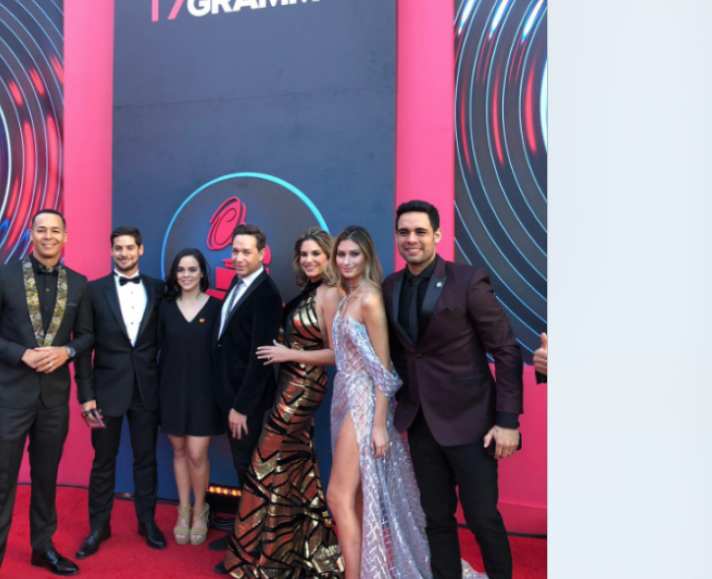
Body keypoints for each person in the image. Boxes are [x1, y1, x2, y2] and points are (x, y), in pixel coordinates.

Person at [384, 200, 524, 579]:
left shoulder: (468, 280)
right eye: (403, 232)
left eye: (419, 232)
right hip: (420, 421)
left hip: (472, 423)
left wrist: (507, 421)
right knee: (436, 518)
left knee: (482, 517)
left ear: (437, 235)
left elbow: (506, 350)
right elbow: (401, 352)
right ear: (396, 236)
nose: (411, 239)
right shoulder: (390, 286)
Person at [220, 227, 345, 577]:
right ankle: (296, 550)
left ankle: (256, 556)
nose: (308, 260)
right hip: (289, 385)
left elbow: (339, 354)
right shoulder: (311, 290)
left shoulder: (331, 293)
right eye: (304, 255)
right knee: (294, 469)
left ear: (329, 257)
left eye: (316, 254)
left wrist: (287, 352)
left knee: (264, 465)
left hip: (303, 390)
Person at [0, 209, 91, 579]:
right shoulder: (1, 277)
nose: (48, 236)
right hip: (10, 396)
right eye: (41, 229)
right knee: (2, 481)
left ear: (65, 236)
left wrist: (67, 351)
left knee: (46, 477)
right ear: (31, 233)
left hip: (54, 399)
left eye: (55, 230)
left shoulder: (79, 283)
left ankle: (43, 548)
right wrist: (20, 353)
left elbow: (88, 336)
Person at [327, 225, 432, 579]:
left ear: (368, 257)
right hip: (343, 397)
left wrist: (378, 426)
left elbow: (385, 371)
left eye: (354, 254)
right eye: (341, 254)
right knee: (354, 498)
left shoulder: (370, 298)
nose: (346, 260)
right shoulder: (346, 296)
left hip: (363, 403)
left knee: (337, 498)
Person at [74, 226, 167, 558]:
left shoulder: (159, 289)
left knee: (146, 460)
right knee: (103, 461)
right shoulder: (92, 290)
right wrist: (86, 396)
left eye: (129, 248)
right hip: (105, 392)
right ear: (111, 251)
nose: (124, 253)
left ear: (141, 249)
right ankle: (99, 526)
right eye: (118, 248)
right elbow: (84, 347)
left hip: (147, 389)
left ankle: (147, 521)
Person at [208, 224, 284, 554]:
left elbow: (261, 358)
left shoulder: (266, 294)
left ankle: (251, 544)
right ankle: (245, 534)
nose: (238, 257)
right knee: (245, 467)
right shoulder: (239, 285)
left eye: (246, 252)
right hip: (230, 394)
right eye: (234, 251)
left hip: (245, 401)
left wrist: (241, 407)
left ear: (262, 254)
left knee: (249, 471)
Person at [158, 248, 225, 546]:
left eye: (192, 269)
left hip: (204, 393)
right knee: (179, 452)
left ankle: (201, 510)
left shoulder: (217, 307)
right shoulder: (164, 307)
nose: (186, 275)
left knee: (198, 455)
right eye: (181, 270)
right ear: (175, 274)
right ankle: (182, 510)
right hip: (171, 389)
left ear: (202, 273)